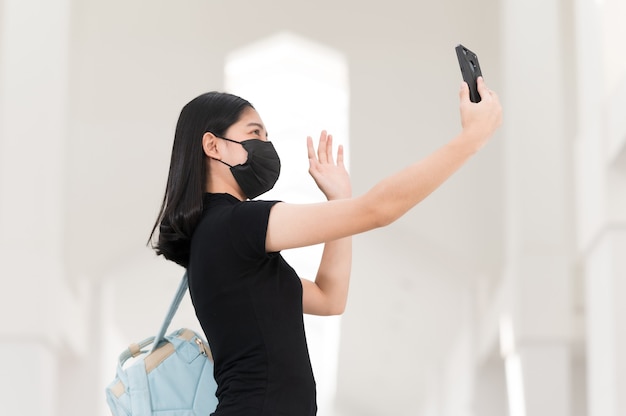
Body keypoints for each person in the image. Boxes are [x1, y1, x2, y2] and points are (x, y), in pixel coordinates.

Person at [149, 77, 502, 416]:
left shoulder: (218, 237)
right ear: (213, 146)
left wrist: (338, 198)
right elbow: (379, 209)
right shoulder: (235, 224)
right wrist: (471, 139)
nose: (266, 146)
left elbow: (329, 298)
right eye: (254, 133)